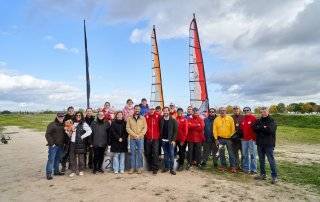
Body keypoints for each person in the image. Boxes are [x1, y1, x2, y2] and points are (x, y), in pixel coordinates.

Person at [252, 107, 278, 184]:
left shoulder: (272, 121)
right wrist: (263, 127)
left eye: (264, 111)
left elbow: (270, 130)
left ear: (268, 112)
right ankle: (263, 174)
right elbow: (253, 128)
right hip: (260, 143)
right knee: (261, 160)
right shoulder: (258, 120)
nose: (263, 113)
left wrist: (260, 128)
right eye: (262, 112)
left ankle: (274, 177)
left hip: (269, 144)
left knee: (271, 160)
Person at [66, 111, 92, 177]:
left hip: (80, 142)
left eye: (79, 115)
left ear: (81, 116)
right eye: (77, 115)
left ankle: (81, 170)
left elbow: (89, 131)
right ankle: (73, 171)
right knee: (72, 157)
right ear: (75, 116)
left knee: (81, 158)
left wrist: (82, 136)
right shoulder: (72, 123)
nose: (78, 116)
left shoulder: (83, 123)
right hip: (72, 142)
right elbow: (68, 131)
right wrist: (67, 131)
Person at [213, 107, 237, 173]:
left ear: (225, 111)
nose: (222, 112)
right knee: (221, 153)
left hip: (229, 139)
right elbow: (214, 130)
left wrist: (232, 137)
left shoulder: (230, 118)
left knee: (231, 153)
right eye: (221, 111)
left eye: (223, 110)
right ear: (219, 111)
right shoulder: (216, 119)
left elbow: (233, 129)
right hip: (220, 139)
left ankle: (233, 166)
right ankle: (223, 166)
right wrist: (216, 139)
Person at [126, 105, 147, 174]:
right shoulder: (129, 118)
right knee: (133, 153)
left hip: (140, 139)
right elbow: (128, 128)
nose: (137, 110)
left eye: (138, 109)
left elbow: (145, 128)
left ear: (140, 110)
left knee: (140, 153)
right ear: (134, 110)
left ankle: (139, 168)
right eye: (136, 109)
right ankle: (132, 168)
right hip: (132, 139)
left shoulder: (143, 118)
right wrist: (135, 135)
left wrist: (139, 135)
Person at [45, 112, 65, 180]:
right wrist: (52, 144)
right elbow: (47, 134)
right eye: (59, 117)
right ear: (57, 117)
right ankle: (49, 173)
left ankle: (56, 171)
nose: (61, 118)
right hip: (53, 146)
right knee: (51, 159)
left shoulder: (64, 125)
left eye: (62, 117)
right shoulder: (52, 124)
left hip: (61, 145)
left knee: (57, 159)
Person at [160, 107, 178, 175]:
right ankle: (166, 167)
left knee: (171, 155)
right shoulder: (161, 119)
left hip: (171, 141)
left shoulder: (173, 119)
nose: (165, 112)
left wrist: (173, 140)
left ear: (169, 111)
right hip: (163, 140)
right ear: (163, 112)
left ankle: (172, 169)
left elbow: (175, 131)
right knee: (166, 155)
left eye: (166, 111)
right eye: (164, 111)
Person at [240, 107, 257, 174]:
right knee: (245, 154)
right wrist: (241, 137)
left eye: (247, 110)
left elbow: (256, 129)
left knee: (252, 154)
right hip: (244, 140)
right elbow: (241, 129)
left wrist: (254, 138)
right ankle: (246, 168)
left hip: (251, 140)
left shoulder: (253, 118)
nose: (246, 111)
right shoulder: (243, 119)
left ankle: (254, 169)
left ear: (250, 111)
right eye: (244, 110)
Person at [144, 107, 161, 174]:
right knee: (148, 153)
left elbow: (163, 123)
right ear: (149, 110)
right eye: (151, 109)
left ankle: (155, 168)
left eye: (153, 109)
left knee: (155, 153)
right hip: (148, 137)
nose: (152, 110)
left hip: (156, 138)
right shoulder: (146, 116)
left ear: (154, 110)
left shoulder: (158, 116)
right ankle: (150, 166)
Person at [61, 106, 75, 173]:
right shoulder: (64, 117)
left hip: (73, 138)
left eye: (72, 110)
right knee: (65, 153)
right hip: (66, 139)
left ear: (73, 111)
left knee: (71, 153)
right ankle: (63, 167)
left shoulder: (75, 117)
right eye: (70, 110)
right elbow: (62, 127)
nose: (71, 111)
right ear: (68, 111)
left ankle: (70, 165)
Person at [231, 106, 244, 170]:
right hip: (234, 138)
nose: (236, 110)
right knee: (235, 153)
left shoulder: (243, 117)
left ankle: (243, 165)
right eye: (234, 109)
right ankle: (236, 165)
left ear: (239, 110)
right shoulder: (231, 117)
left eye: (237, 109)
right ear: (233, 110)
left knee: (243, 153)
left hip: (242, 138)